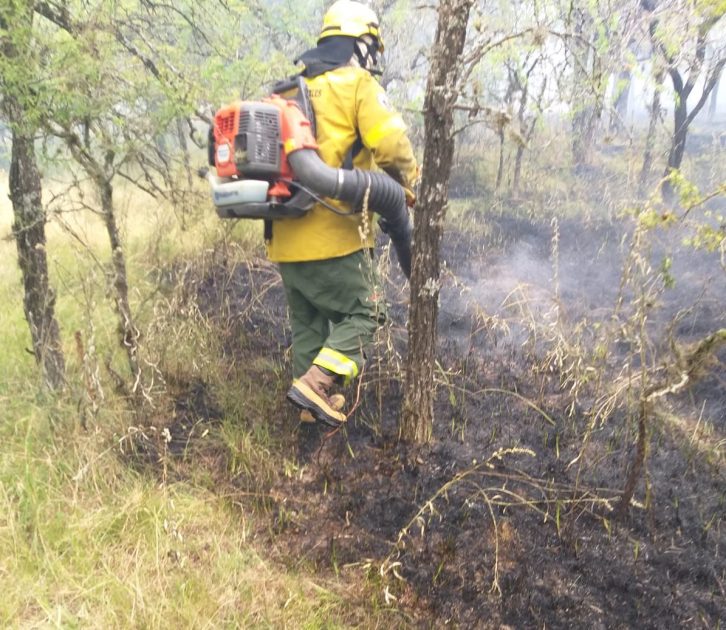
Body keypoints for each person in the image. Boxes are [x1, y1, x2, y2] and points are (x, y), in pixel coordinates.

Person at [266, 0, 419, 427]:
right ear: (361, 43)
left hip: (285, 243)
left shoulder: (287, 91)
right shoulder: (356, 84)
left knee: (309, 326)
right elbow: (391, 146)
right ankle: (318, 383)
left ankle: (310, 417)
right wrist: (412, 185)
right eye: (373, 48)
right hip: (334, 238)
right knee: (368, 312)